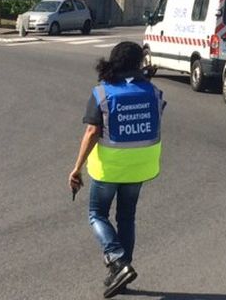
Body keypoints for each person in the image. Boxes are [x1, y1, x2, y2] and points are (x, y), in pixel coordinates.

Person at [68, 42, 165, 298]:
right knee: (126, 217)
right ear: (138, 62)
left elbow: (91, 132)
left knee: (97, 214)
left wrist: (76, 169)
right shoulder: (153, 91)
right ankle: (122, 271)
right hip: (141, 165)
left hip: (110, 168)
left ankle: (118, 260)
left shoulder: (103, 92)